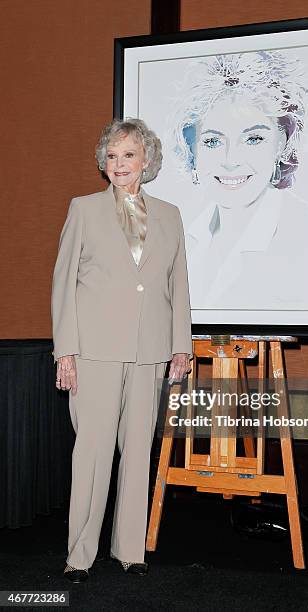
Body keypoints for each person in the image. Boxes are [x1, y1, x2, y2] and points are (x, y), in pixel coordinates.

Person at [51, 118, 192, 583]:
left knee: (137, 454)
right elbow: (63, 284)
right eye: (111, 156)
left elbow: (178, 285)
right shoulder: (84, 210)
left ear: (146, 160)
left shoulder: (170, 215)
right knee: (91, 453)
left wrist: (180, 344)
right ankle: (79, 555)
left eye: (128, 155)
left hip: (150, 349)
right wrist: (65, 351)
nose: (119, 164)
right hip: (94, 350)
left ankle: (130, 549)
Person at [170, 51, 308, 311]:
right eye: (213, 141)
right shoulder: (182, 239)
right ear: (192, 150)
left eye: (253, 139)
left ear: (282, 144)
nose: (231, 160)